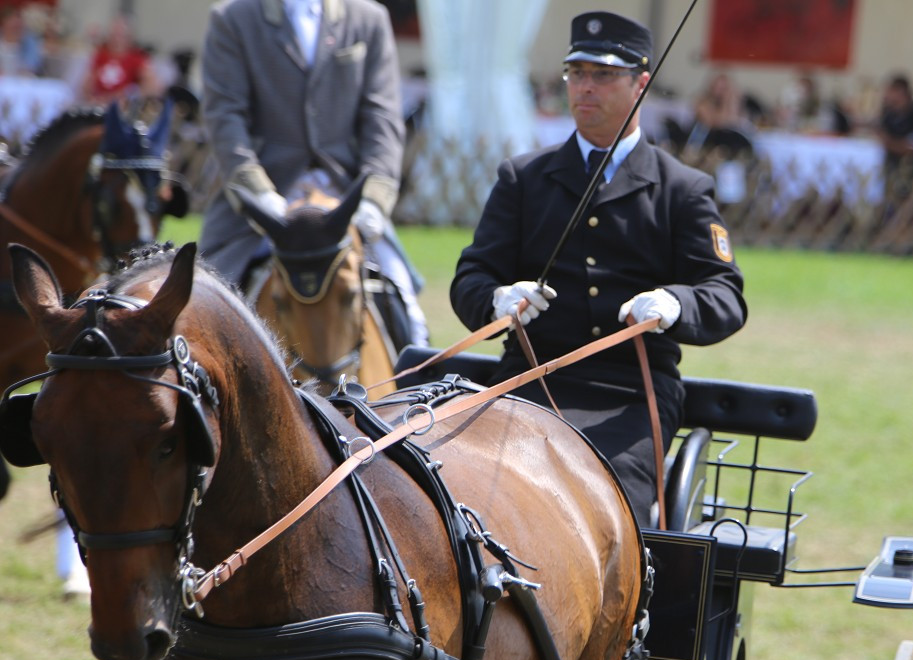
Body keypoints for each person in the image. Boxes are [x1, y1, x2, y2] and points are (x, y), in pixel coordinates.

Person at [450, 11, 747, 527]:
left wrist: (677, 302)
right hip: (525, 381)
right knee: (460, 500)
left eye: (604, 75)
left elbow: (725, 296)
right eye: (577, 73)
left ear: (641, 83)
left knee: (596, 514)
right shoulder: (524, 178)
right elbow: (471, 276)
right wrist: (497, 299)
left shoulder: (682, 189)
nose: (586, 88)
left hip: (630, 397)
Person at [198, 0, 428, 346]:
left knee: (408, 309)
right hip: (262, 202)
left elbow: (382, 120)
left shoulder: (369, 18)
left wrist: (374, 201)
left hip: (346, 197)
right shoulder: (232, 18)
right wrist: (258, 192)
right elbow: (225, 118)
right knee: (200, 313)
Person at [877, 73, 913, 210]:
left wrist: (888, 142)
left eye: (890, 91)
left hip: (908, 171)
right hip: (887, 166)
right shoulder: (888, 115)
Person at [80, 14, 158, 105]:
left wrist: (129, 96)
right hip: (99, 102)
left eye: (121, 35)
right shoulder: (101, 54)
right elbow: (87, 83)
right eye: (114, 34)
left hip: (122, 105)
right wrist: (91, 97)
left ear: (129, 37)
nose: (117, 39)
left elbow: (152, 86)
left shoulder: (137, 58)